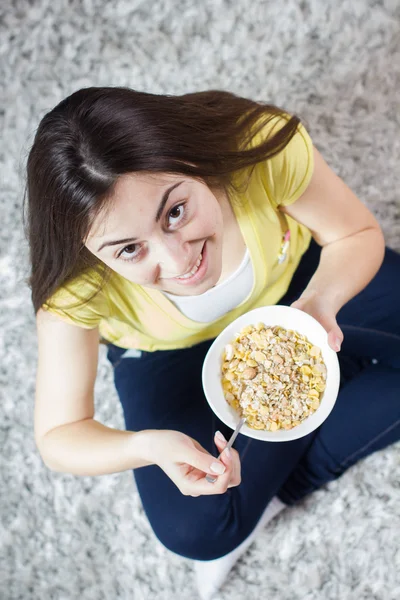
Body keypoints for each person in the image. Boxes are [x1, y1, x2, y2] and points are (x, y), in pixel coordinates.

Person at [26, 87, 400, 600]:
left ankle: (268, 485)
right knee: (196, 529)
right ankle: (282, 475)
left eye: (175, 212)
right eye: (131, 250)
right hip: (168, 355)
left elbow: (354, 233)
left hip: (298, 287)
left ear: (194, 158)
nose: (181, 264)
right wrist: (148, 447)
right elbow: (59, 435)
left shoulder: (259, 145)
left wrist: (319, 305)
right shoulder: (75, 285)